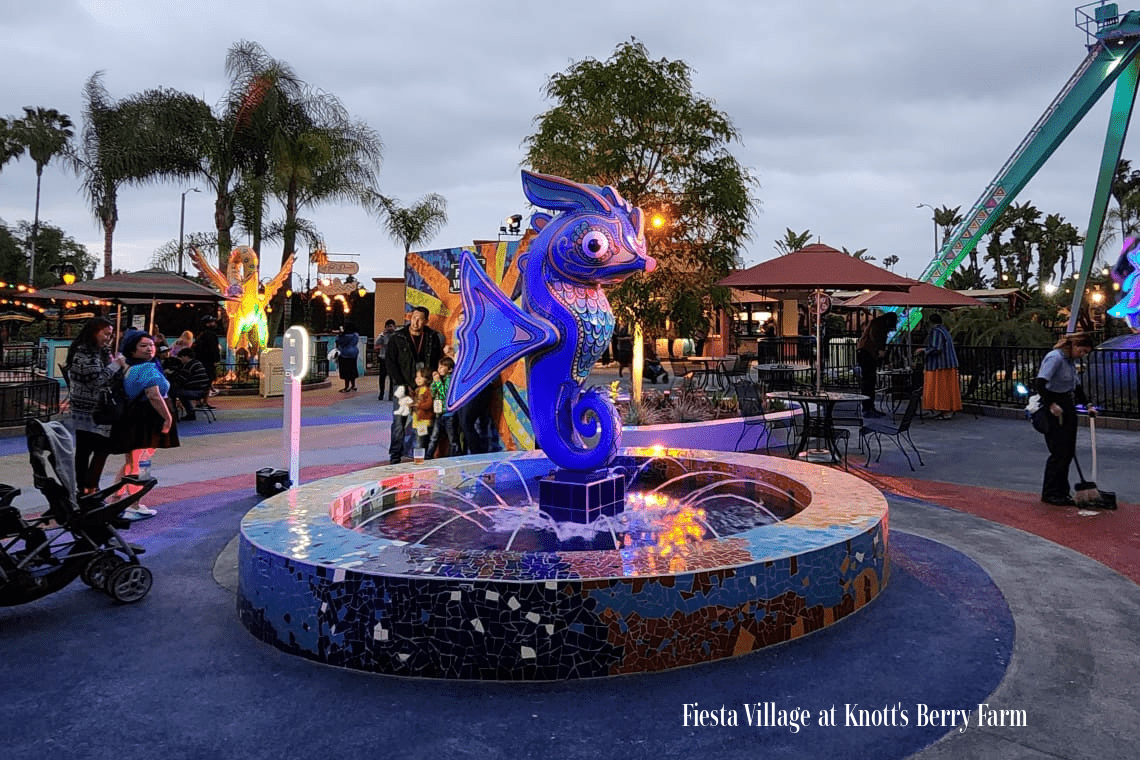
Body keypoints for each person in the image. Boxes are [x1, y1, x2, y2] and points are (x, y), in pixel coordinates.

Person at [110, 331, 180, 518]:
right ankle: (133, 502)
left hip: (133, 417)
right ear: (133, 350)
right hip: (147, 418)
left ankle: (117, 501)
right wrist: (168, 417)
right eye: (143, 345)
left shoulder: (129, 367)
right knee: (140, 463)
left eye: (151, 344)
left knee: (131, 462)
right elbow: (154, 395)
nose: (149, 348)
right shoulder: (146, 369)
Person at [65, 317, 126, 496]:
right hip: (87, 408)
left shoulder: (101, 351)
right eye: (105, 334)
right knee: (88, 448)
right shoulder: (83, 353)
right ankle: (85, 485)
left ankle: (88, 484)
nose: (108, 338)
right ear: (94, 332)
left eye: (111, 335)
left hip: (99, 407)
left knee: (96, 447)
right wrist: (115, 366)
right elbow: (95, 381)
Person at [1034, 332, 1097, 507]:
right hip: (1054, 406)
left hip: (1066, 404)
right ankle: (1050, 492)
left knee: (1068, 451)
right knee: (1059, 451)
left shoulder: (1070, 362)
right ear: (1074, 346)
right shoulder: (1055, 358)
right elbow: (1040, 383)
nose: (1082, 355)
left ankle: (1062, 490)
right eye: (1082, 351)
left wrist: (1088, 404)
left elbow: (1076, 387)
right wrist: (1051, 404)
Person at [385, 306, 443, 464]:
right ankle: (395, 456)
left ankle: (421, 454)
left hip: (423, 387)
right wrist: (402, 384)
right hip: (402, 387)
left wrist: (431, 381)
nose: (416, 322)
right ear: (410, 317)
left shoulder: (432, 337)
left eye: (420, 319)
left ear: (426, 321)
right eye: (414, 317)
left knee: (422, 421)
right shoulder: (398, 337)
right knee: (399, 421)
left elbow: (437, 359)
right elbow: (390, 363)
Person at [917, 313, 962, 420]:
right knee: (948, 388)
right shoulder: (944, 330)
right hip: (949, 363)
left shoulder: (936, 331)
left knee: (941, 388)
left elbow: (936, 347)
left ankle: (944, 409)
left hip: (940, 364)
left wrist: (923, 350)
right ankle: (946, 409)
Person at [855, 311, 899, 416]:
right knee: (868, 382)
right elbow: (875, 337)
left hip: (867, 353)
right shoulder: (879, 324)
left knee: (870, 381)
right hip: (867, 354)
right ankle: (867, 408)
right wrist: (880, 350)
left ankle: (869, 406)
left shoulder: (878, 323)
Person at [426, 355, 459, 458]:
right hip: (439, 413)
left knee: (453, 438)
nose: (439, 369)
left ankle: (456, 456)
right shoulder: (440, 379)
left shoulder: (450, 380)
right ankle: (428, 456)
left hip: (449, 414)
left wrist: (438, 382)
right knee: (434, 437)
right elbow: (432, 392)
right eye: (438, 367)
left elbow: (444, 394)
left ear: (449, 369)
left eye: (442, 367)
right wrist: (435, 383)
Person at [167, 348, 213, 420]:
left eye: (181, 357)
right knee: (181, 392)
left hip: (196, 391)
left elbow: (181, 379)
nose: (180, 360)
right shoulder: (197, 363)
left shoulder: (189, 365)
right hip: (203, 390)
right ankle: (190, 413)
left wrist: (171, 373)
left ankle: (174, 414)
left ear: (186, 356)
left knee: (172, 392)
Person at [192, 314, 222, 401]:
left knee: (203, 381)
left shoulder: (201, 335)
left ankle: (200, 401)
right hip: (208, 362)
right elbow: (213, 348)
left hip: (202, 361)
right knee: (207, 381)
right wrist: (216, 359)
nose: (214, 323)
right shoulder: (210, 335)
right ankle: (203, 401)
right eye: (212, 322)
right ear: (207, 324)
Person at [410, 368, 434, 454]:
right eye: (417, 377)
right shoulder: (417, 390)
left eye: (420, 377)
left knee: (420, 442)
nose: (417, 379)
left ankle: (421, 457)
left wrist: (418, 405)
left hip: (423, 421)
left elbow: (429, 404)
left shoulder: (427, 390)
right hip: (417, 420)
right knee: (418, 439)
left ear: (427, 379)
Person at [335, 321, 360, 392]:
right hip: (354, 353)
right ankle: (353, 386)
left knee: (345, 371)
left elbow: (338, 341)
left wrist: (340, 334)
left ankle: (346, 387)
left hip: (344, 354)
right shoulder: (355, 335)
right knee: (353, 369)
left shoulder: (343, 337)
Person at [374, 319, 396, 400]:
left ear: (394, 326)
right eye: (388, 327)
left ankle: (391, 394)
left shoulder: (396, 334)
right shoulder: (383, 335)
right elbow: (377, 342)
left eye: (391, 326)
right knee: (382, 376)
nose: (390, 328)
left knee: (392, 377)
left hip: (393, 358)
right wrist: (383, 334)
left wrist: (394, 333)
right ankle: (381, 393)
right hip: (383, 357)